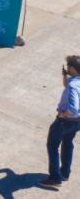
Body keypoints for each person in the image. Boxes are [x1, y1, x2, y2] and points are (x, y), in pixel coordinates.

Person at [38, 55, 80, 190]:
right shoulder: (74, 82)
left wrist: (62, 114)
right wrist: (65, 76)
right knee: (68, 145)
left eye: (68, 67)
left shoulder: (73, 85)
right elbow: (69, 86)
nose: (67, 69)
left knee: (53, 146)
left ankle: (55, 178)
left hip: (64, 122)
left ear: (72, 68)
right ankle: (65, 173)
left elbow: (73, 107)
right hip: (76, 122)